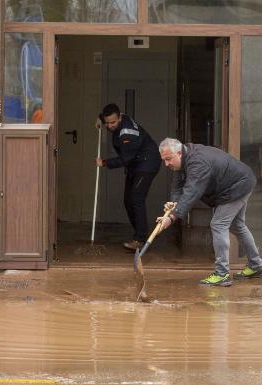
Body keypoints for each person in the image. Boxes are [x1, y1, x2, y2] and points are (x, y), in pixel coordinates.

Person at [158, 138, 262, 286]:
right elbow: (177, 187)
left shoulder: (198, 163)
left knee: (218, 224)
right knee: (236, 225)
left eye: (168, 159)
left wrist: (173, 217)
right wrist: (172, 206)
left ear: (179, 153)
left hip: (238, 185)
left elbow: (191, 193)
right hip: (237, 183)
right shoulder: (182, 160)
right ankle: (256, 265)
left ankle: (222, 274)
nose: (166, 164)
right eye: (164, 160)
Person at [95, 103, 161, 251]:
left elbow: (125, 159)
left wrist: (104, 162)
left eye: (113, 122)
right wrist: (100, 119)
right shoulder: (120, 117)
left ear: (119, 118)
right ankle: (139, 233)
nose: (110, 126)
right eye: (107, 123)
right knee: (128, 200)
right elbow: (107, 115)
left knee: (136, 198)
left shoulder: (127, 134)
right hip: (136, 164)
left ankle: (140, 239)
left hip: (147, 164)